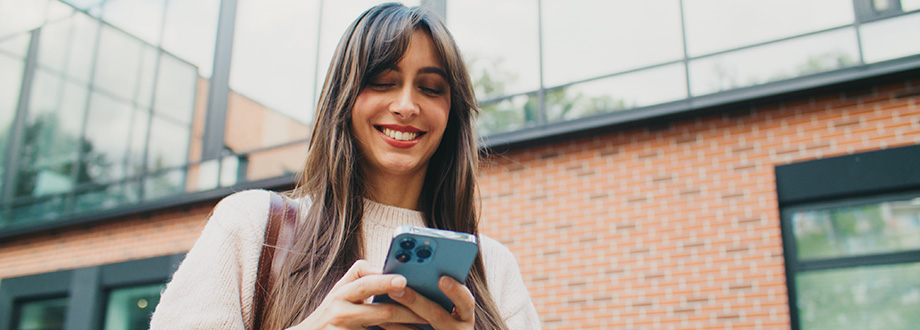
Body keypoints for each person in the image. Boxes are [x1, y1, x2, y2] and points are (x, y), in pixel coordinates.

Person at [150, 3, 539, 330]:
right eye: (383, 82)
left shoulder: (494, 268)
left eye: (431, 88)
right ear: (343, 99)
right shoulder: (252, 227)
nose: (406, 105)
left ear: (452, 112)